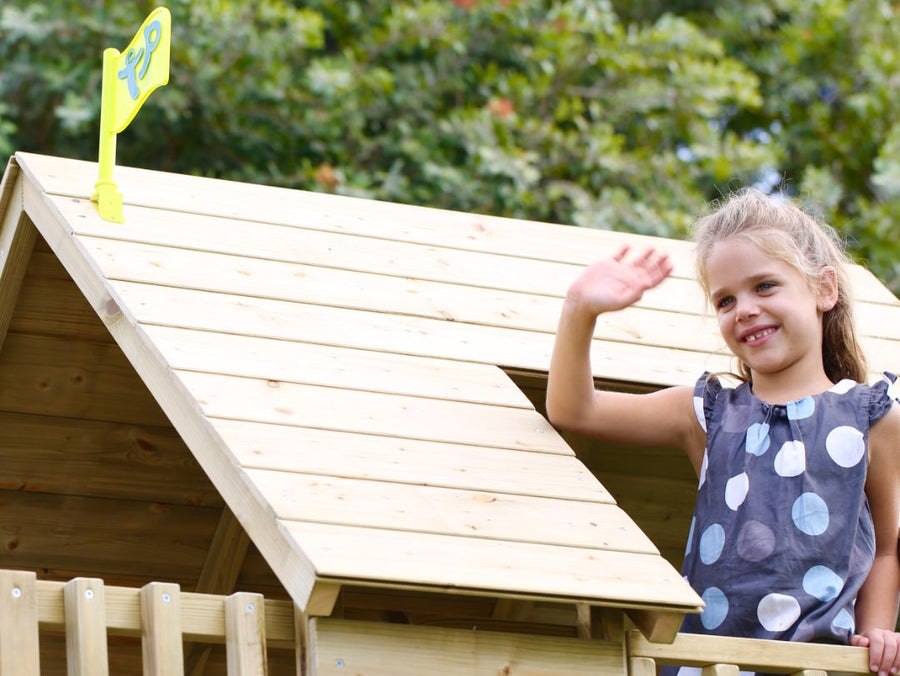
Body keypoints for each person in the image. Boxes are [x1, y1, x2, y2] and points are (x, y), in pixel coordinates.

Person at [546, 188, 900, 676]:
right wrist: (580, 310)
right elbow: (574, 410)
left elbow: (885, 546)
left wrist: (877, 630)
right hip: (710, 667)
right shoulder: (710, 412)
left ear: (824, 290)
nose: (745, 309)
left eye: (766, 286)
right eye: (726, 299)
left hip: (821, 665)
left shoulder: (870, 416)